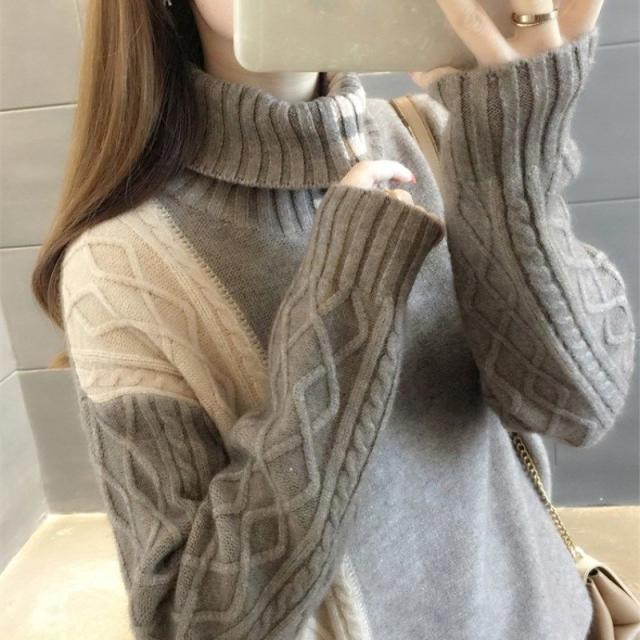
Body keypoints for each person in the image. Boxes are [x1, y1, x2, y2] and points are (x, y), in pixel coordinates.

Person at [31, 0, 636, 638]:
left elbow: (574, 408)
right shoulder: (120, 265)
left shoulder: (441, 135)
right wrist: (343, 300)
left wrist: (518, 156)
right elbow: (191, 622)